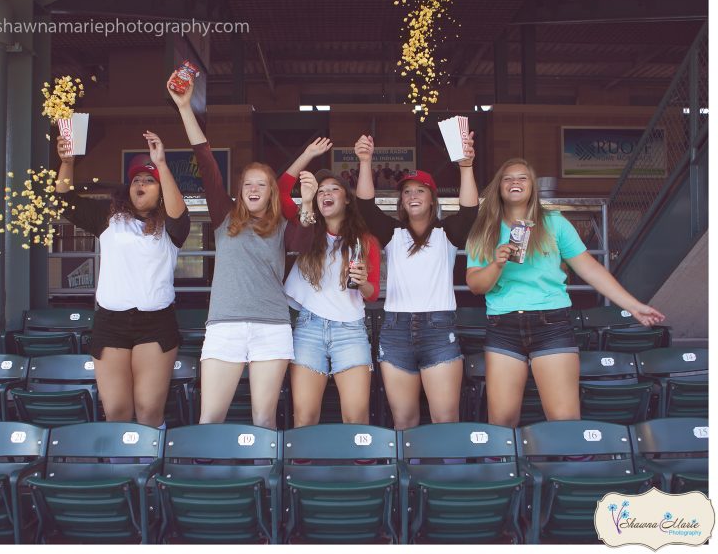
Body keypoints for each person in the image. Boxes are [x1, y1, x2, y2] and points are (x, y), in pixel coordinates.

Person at [465, 158, 665, 427]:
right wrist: (497, 263)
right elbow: (476, 285)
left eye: (523, 177)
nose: (515, 182)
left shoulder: (554, 223)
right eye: (507, 178)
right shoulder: (484, 229)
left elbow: (590, 270)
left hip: (551, 323)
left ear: (533, 187)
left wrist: (633, 306)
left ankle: (565, 467)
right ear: (499, 187)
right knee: (501, 420)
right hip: (504, 325)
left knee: (564, 419)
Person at [167, 72, 315, 429]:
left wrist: (308, 204)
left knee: (264, 419)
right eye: (247, 183)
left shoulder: (283, 225)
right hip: (225, 325)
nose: (253, 189)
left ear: (270, 193)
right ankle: (208, 480)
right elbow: (205, 160)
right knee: (210, 418)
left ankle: (259, 484)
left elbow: (302, 246)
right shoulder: (224, 214)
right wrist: (186, 108)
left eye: (261, 184)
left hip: (272, 326)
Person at [55, 130, 189, 429]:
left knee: (148, 409)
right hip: (111, 323)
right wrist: (66, 163)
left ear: (161, 189)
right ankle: (122, 470)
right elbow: (65, 200)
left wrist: (162, 164)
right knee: (116, 410)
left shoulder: (171, 225)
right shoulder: (110, 217)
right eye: (136, 180)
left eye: (149, 180)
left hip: (155, 323)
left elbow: (180, 214)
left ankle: (151, 469)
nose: (140, 184)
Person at [355, 133, 479, 430]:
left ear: (432, 199)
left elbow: (470, 210)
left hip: (439, 328)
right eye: (407, 192)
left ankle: (446, 475)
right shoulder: (393, 233)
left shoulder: (446, 233)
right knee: (405, 420)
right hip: (396, 329)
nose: (412, 196)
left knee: (445, 419)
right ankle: (408, 476)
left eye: (420, 191)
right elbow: (365, 207)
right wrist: (364, 161)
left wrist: (466, 167)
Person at [277, 138, 381, 426]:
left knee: (356, 416)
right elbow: (280, 191)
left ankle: (359, 469)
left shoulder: (365, 240)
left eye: (334, 189)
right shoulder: (306, 227)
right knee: (305, 417)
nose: (326, 194)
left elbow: (373, 294)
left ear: (347, 198)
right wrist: (307, 153)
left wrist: (361, 283)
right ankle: (304, 470)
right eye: (321, 190)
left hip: (350, 329)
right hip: (309, 327)